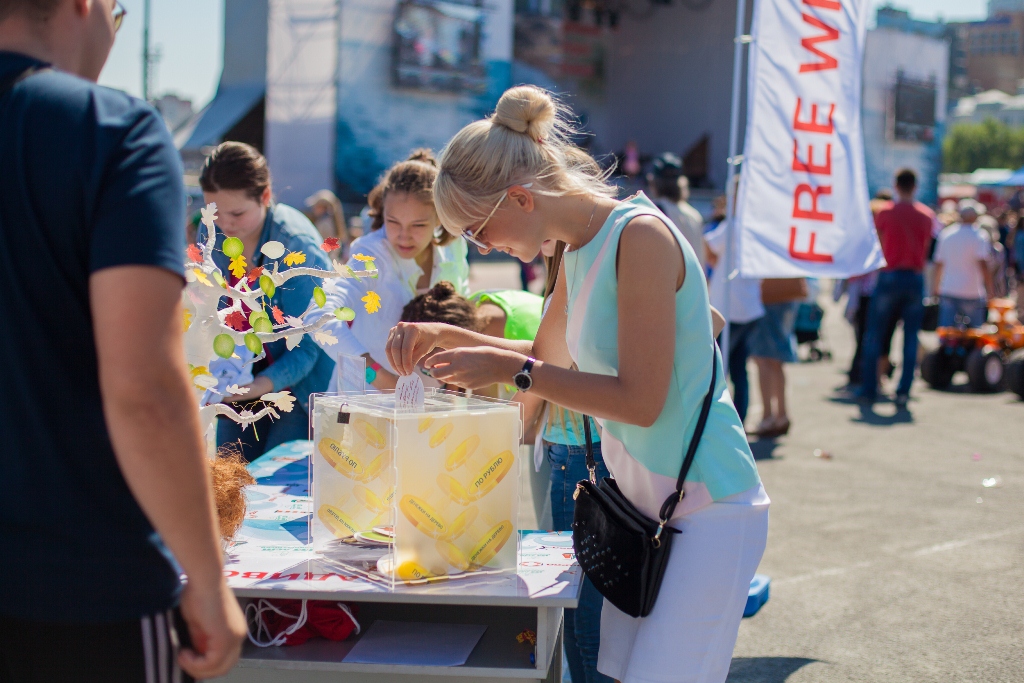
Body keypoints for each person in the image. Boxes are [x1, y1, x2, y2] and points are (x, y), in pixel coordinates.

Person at [386, 85, 768, 683]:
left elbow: (640, 401)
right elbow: (546, 358)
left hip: (708, 506)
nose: (484, 248)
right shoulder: (579, 246)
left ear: (519, 198)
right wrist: (443, 334)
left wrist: (509, 371)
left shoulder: (639, 236)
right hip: (645, 510)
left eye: (478, 232)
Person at [0, 1, 246, 680]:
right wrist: (207, 577)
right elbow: (144, 390)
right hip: (81, 587)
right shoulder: (110, 130)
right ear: (84, 7)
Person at [199, 141, 334, 460]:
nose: (224, 225)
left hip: (299, 386)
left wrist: (259, 386)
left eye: (237, 213)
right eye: (214, 213)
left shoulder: (297, 247)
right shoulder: (211, 233)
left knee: (275, 476)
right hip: (236, 377)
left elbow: (308, 346)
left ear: (265, 196)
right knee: (230, 471)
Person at [311, 149, 469, 390]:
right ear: (382, 211)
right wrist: (378, 376)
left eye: (418, 225)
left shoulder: (454, 246)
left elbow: (461, 318)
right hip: (362, 400)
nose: (404, 236)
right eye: (393, 222)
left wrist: (454, 386)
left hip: (431, 402)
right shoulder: (371, 253)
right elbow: (318, 316)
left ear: (440, 218)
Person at [858, 168, 934, 408]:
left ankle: (869, 388)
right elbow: (926, 248)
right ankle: (903, 390)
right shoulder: (926, 215)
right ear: (915, 186)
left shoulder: (885, 212)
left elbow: (878, 244)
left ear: (896, 185)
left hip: (889, 275)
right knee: (910, 337)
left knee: (875, 334)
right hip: (914, 276)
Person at [703, 203, 763, 425]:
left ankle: (719, 421)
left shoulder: (733, 225)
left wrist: (716, 262)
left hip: (729, 307)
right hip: (750, 306)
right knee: (740, 370)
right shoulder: (759, 227)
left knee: (717, 370)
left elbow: (707, 245)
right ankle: (739, 420)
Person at [932, 204, 993, 328]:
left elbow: (939, 263)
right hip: (972, 291)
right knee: (975, 331)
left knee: (946, 330)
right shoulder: (980, 235)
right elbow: (983, 265)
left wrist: (936, 286)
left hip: (949, 288)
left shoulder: (947, 234)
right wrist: (990, 290)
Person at [749, 292, 800, 437]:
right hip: (787, 295)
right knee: (776, 359)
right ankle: (781, 415)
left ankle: (768, 417)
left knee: (763, 358)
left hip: (769, 297)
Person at [647, 152, 705, 269]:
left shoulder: (653, 210)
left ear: (654, 183)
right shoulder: (694, 214)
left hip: (670, 278)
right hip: (694, 279)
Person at [305, 188, 348, 261]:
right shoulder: (330, 222)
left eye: (316, 206)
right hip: (331, 260)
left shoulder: (324, 224)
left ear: (323, 208)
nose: (313, 209)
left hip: (325, 260)